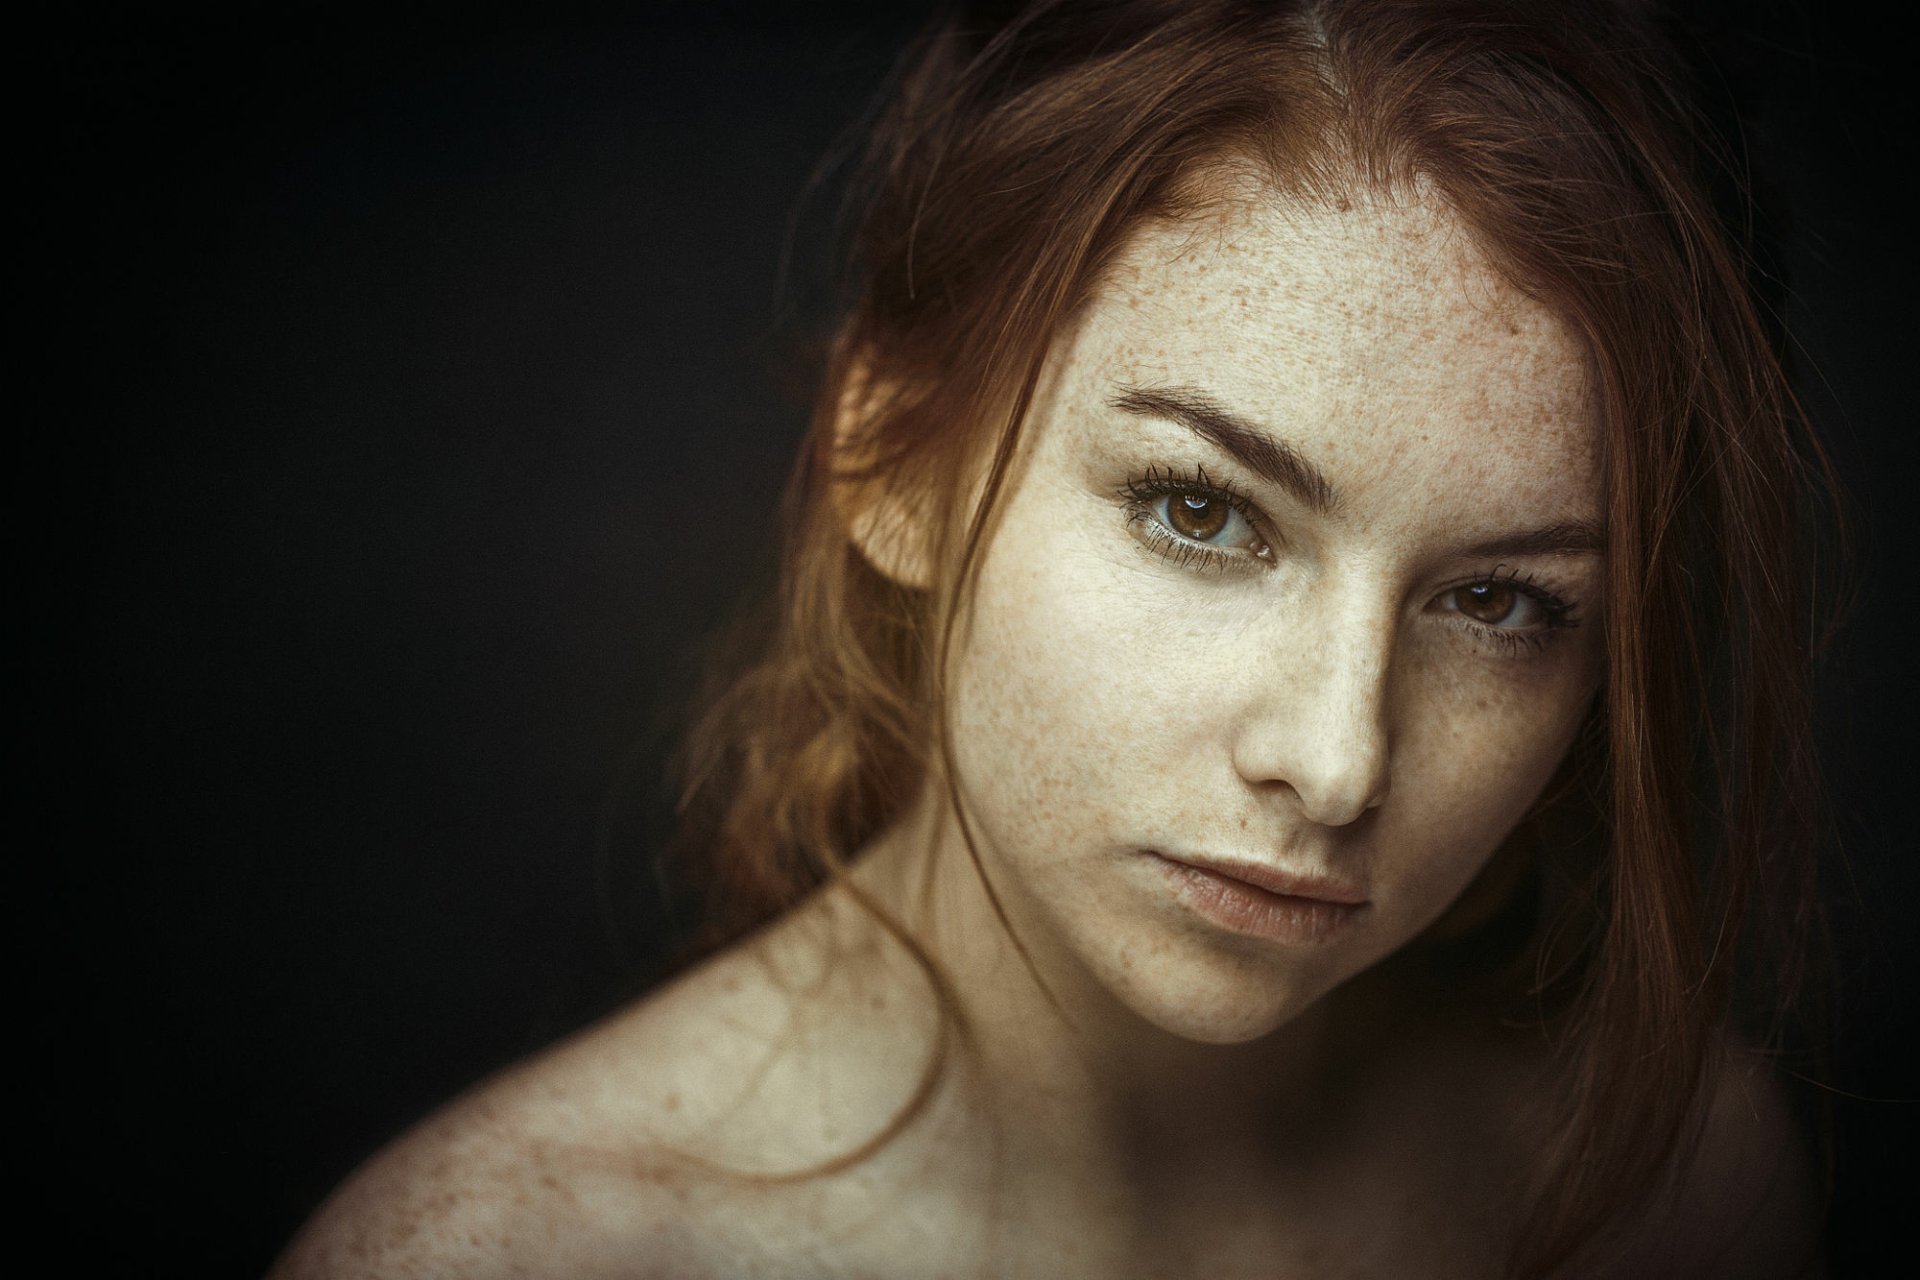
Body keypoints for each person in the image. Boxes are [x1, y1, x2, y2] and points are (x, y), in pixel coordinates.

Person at [270, 1, 1839, 1275]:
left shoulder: (1661, 1185)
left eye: (1503, 602)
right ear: (892, 460)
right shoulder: (509, 1258)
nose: (1336, 758)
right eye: (1202, 513)